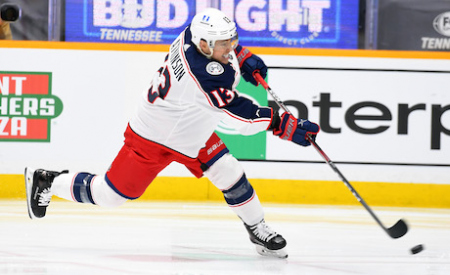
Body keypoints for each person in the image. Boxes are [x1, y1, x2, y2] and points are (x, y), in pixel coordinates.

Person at [24, 8, 319, 259]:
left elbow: (219, 52)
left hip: (191, 127)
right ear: (204, 44)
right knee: (109, 196)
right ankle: (48, 181)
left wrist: (241, 54)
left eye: (231, 41)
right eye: (223, 45)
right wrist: (283, 125)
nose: (228, 48)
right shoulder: (204, 75)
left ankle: (258, 229)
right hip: (152, 135)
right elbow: (236, 113)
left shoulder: (191, 34)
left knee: (229, 171)